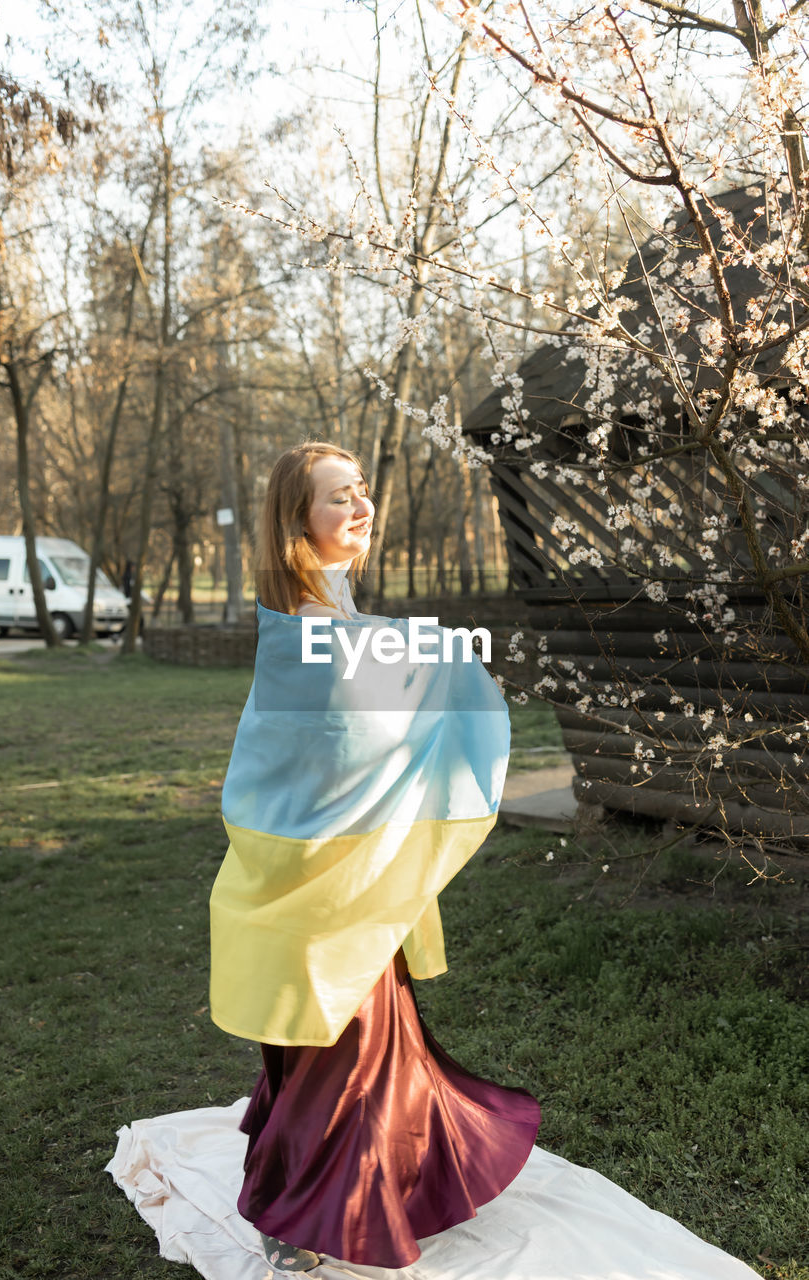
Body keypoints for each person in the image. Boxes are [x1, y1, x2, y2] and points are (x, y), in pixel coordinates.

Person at [209, 441, 540, 1274]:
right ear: (296, 522)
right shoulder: (313, 634)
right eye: (336, 499)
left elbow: (396, 691)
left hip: (349, 887)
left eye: (361, 492)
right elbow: (357, 731)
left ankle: (363, 1184)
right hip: (323, 894)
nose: (360, 508)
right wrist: (442, 663)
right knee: (347, 1061)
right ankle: (299, 1218)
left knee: (361, 1056)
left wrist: (430, 661)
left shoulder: (328, 618)